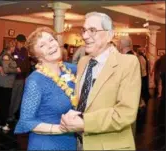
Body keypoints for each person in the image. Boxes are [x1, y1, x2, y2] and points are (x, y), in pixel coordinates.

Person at [60, 12, 141, 150]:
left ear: (109, 35)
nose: (85, 36)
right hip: (78, 143)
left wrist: (85, 122)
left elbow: (125, 113)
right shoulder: (83, 61)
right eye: (84, 30)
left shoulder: (128, 63)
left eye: (92, 30)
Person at [14, 27, 77, 150]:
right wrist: (61, 128)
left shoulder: (70, 69)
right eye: (42, 45)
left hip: (70, 141)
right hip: (46, 144)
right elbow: (26, 121)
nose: (50, 46)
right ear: (36, 55)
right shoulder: (35, 81)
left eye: (51, 40)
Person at [0, 42, 20, 131]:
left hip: (8, 83)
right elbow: (6, 70)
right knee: (5, 104)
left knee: (4, 103)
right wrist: (16, 70)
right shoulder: (6, 56)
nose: (15, 49)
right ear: (11, 47)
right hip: (5, 83)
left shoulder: (9, 56)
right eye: (14, 47)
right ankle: (2, 124)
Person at [7, 34, 30, 122]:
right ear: (16, 41)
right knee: (12, 98)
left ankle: (13, 115)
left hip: (22, 78)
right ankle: (9, 114)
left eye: (23, 43)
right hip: (13, 78)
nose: (22, 44)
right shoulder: (12, 50)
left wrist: (26, 75)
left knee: (18, 99)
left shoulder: (24, 50)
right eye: (20, 42)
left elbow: (26, 64)